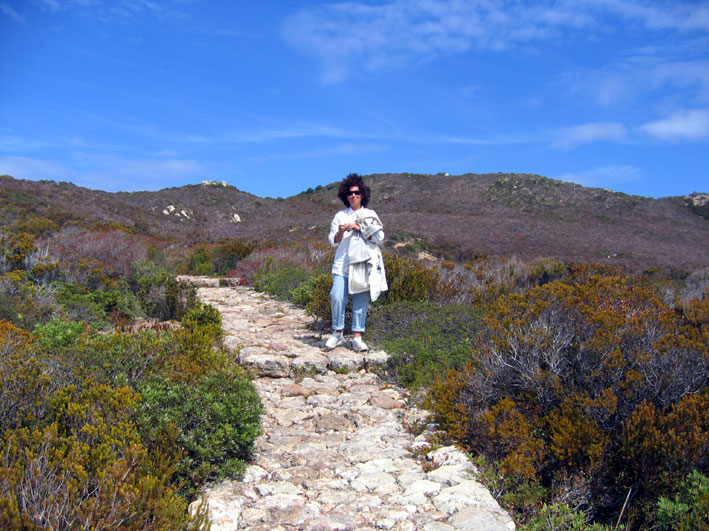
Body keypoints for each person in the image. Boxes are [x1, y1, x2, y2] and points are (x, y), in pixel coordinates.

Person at [325, 173, 387, 352]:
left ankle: (357, 336)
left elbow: (379, 237)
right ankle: (337, 333)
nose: (354, 196)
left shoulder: (370, 214)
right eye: (350, 193)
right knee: (337, 296)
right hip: (342, 264)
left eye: (357, 192)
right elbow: (332, 241)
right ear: (345, 196)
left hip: (362, 263)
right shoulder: (340, 216)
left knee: (361, 299)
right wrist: (340, 232)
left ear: (363, 194)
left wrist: (358, 227)